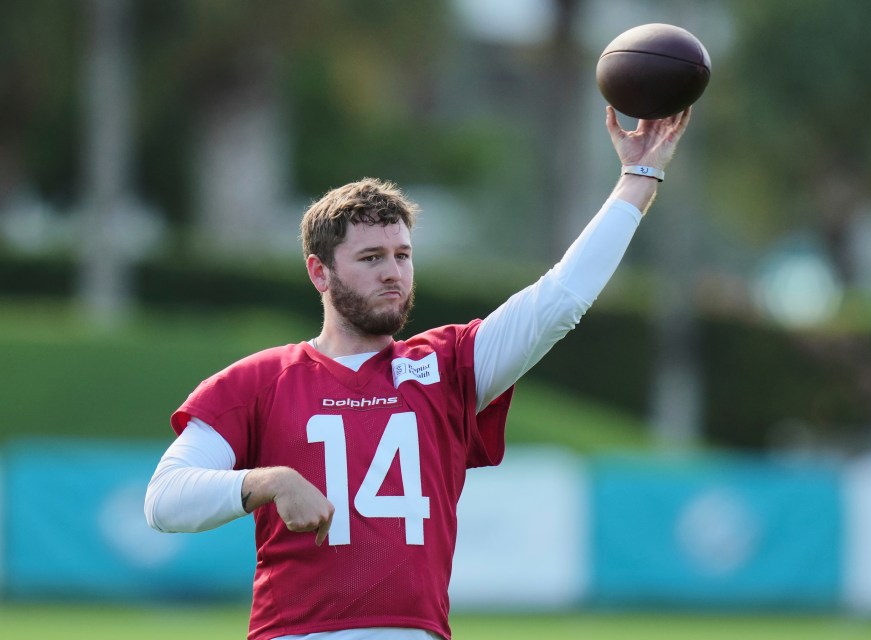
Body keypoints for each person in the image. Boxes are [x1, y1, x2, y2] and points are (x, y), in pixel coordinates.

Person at [144, 106, 692, 640]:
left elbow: (560, 298)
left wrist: (639, 176)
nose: (393, 273)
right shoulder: (260, 381)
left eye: (402, 255)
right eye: (371, 258)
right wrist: (269, 481)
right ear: (319, 272)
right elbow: (164, 499)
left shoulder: (448, 365)